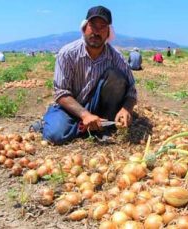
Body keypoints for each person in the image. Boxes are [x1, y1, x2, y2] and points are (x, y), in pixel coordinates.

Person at [31, 5, 137, 145]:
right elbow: (61, 93)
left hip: (100, 108)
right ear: (85, 27)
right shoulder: (68, 53)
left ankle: (100, 124)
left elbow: (132, 90)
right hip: (72, 108)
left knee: (116, 76)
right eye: (93, 25)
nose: (96, 31)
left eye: (102, 27)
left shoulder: (116, 57)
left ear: (108, 32)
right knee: (55, 135)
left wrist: (126, 109)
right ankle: (92, 125)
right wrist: (85, 115)